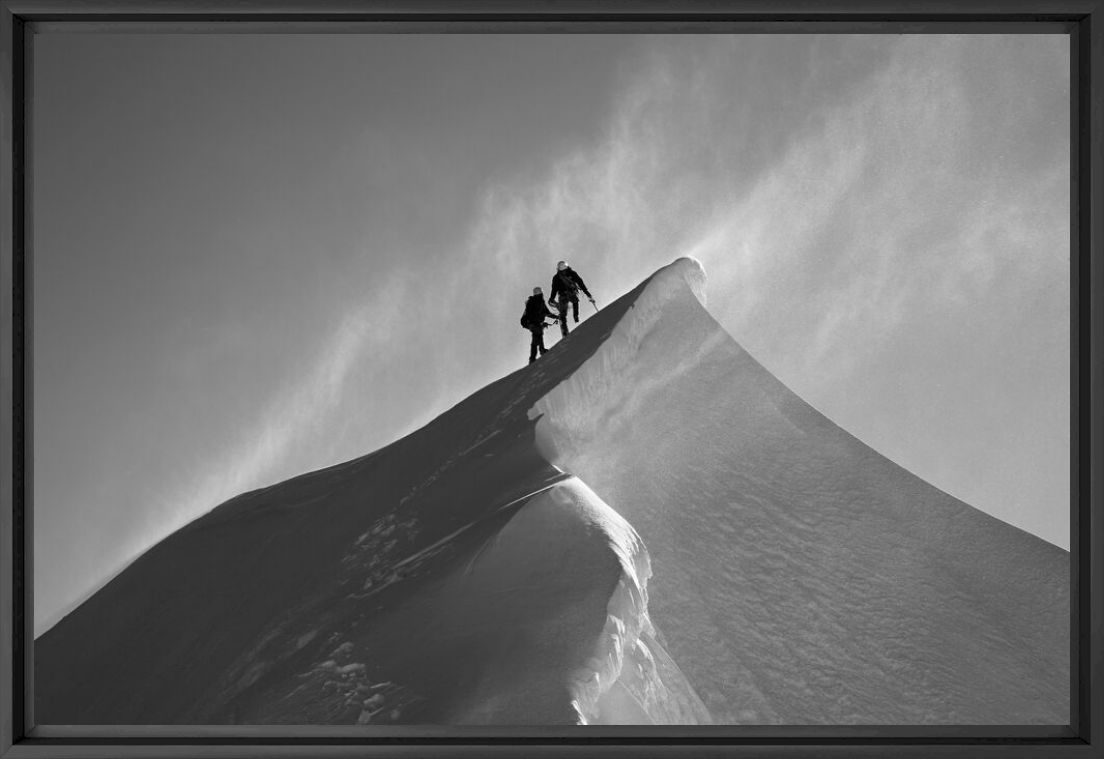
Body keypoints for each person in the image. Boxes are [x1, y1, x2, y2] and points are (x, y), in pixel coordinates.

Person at [548, 260, 595, 337]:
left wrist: (587, 293)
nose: (563, 271)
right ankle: (568, 326)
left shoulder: (569, 274)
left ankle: (575, 319)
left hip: (568, 293)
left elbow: (580, 282)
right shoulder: (558, 277)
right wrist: (552, 298)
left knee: (572, 304)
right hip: (565, 295)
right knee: (567, 309)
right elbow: (554, 289)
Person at [520, 286, 558, 364]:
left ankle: (533, 357)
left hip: (535, 323)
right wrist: (534, 322)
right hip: (533, 323)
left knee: (536, 338)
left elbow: (547, 313)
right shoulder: (533, 302)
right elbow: (531, 314)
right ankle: (540, 351)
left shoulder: (540, 302)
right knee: (538, 334)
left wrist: (556, 317)